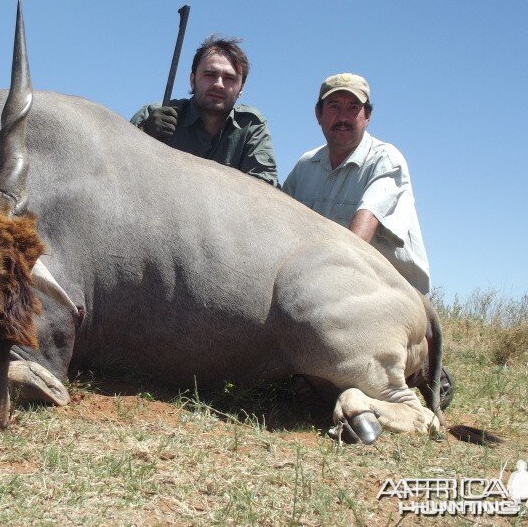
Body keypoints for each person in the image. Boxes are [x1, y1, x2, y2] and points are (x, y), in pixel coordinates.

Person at [283, 72, 453, 408]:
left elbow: (361, 234)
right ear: (318, 114)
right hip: (330, 294)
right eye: (334, 107)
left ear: (367, 115)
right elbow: (280, 225)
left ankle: (418, 369)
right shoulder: (305, 167)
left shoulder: (386, 159)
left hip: (386, 298)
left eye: (353, 107)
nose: (343, 117)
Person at [130, 36, 279, 187]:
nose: (219, 84)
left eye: (229, 78)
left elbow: (264, 189)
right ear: (192, 80)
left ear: (241, 89)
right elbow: (118, 164)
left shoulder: (251, 126)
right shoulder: (153, 113)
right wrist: (143, 132)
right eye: (210, 75)